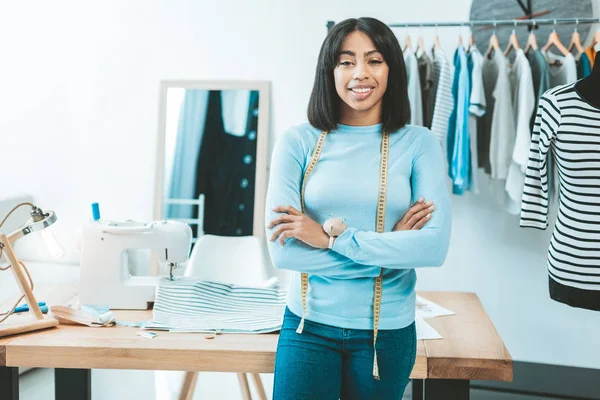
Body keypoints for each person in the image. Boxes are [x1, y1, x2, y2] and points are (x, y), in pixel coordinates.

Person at [265, 17, 451, 400]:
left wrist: (331, 240)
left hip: (387, 334)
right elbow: (283, 252)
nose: (360, 73)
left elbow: (432, 248)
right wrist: (391, 247)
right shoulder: (297, 142)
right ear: (329, 71)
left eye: (374, 60)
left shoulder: (420, 144)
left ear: (392, 69)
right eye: (346, 61)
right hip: (307, 329)